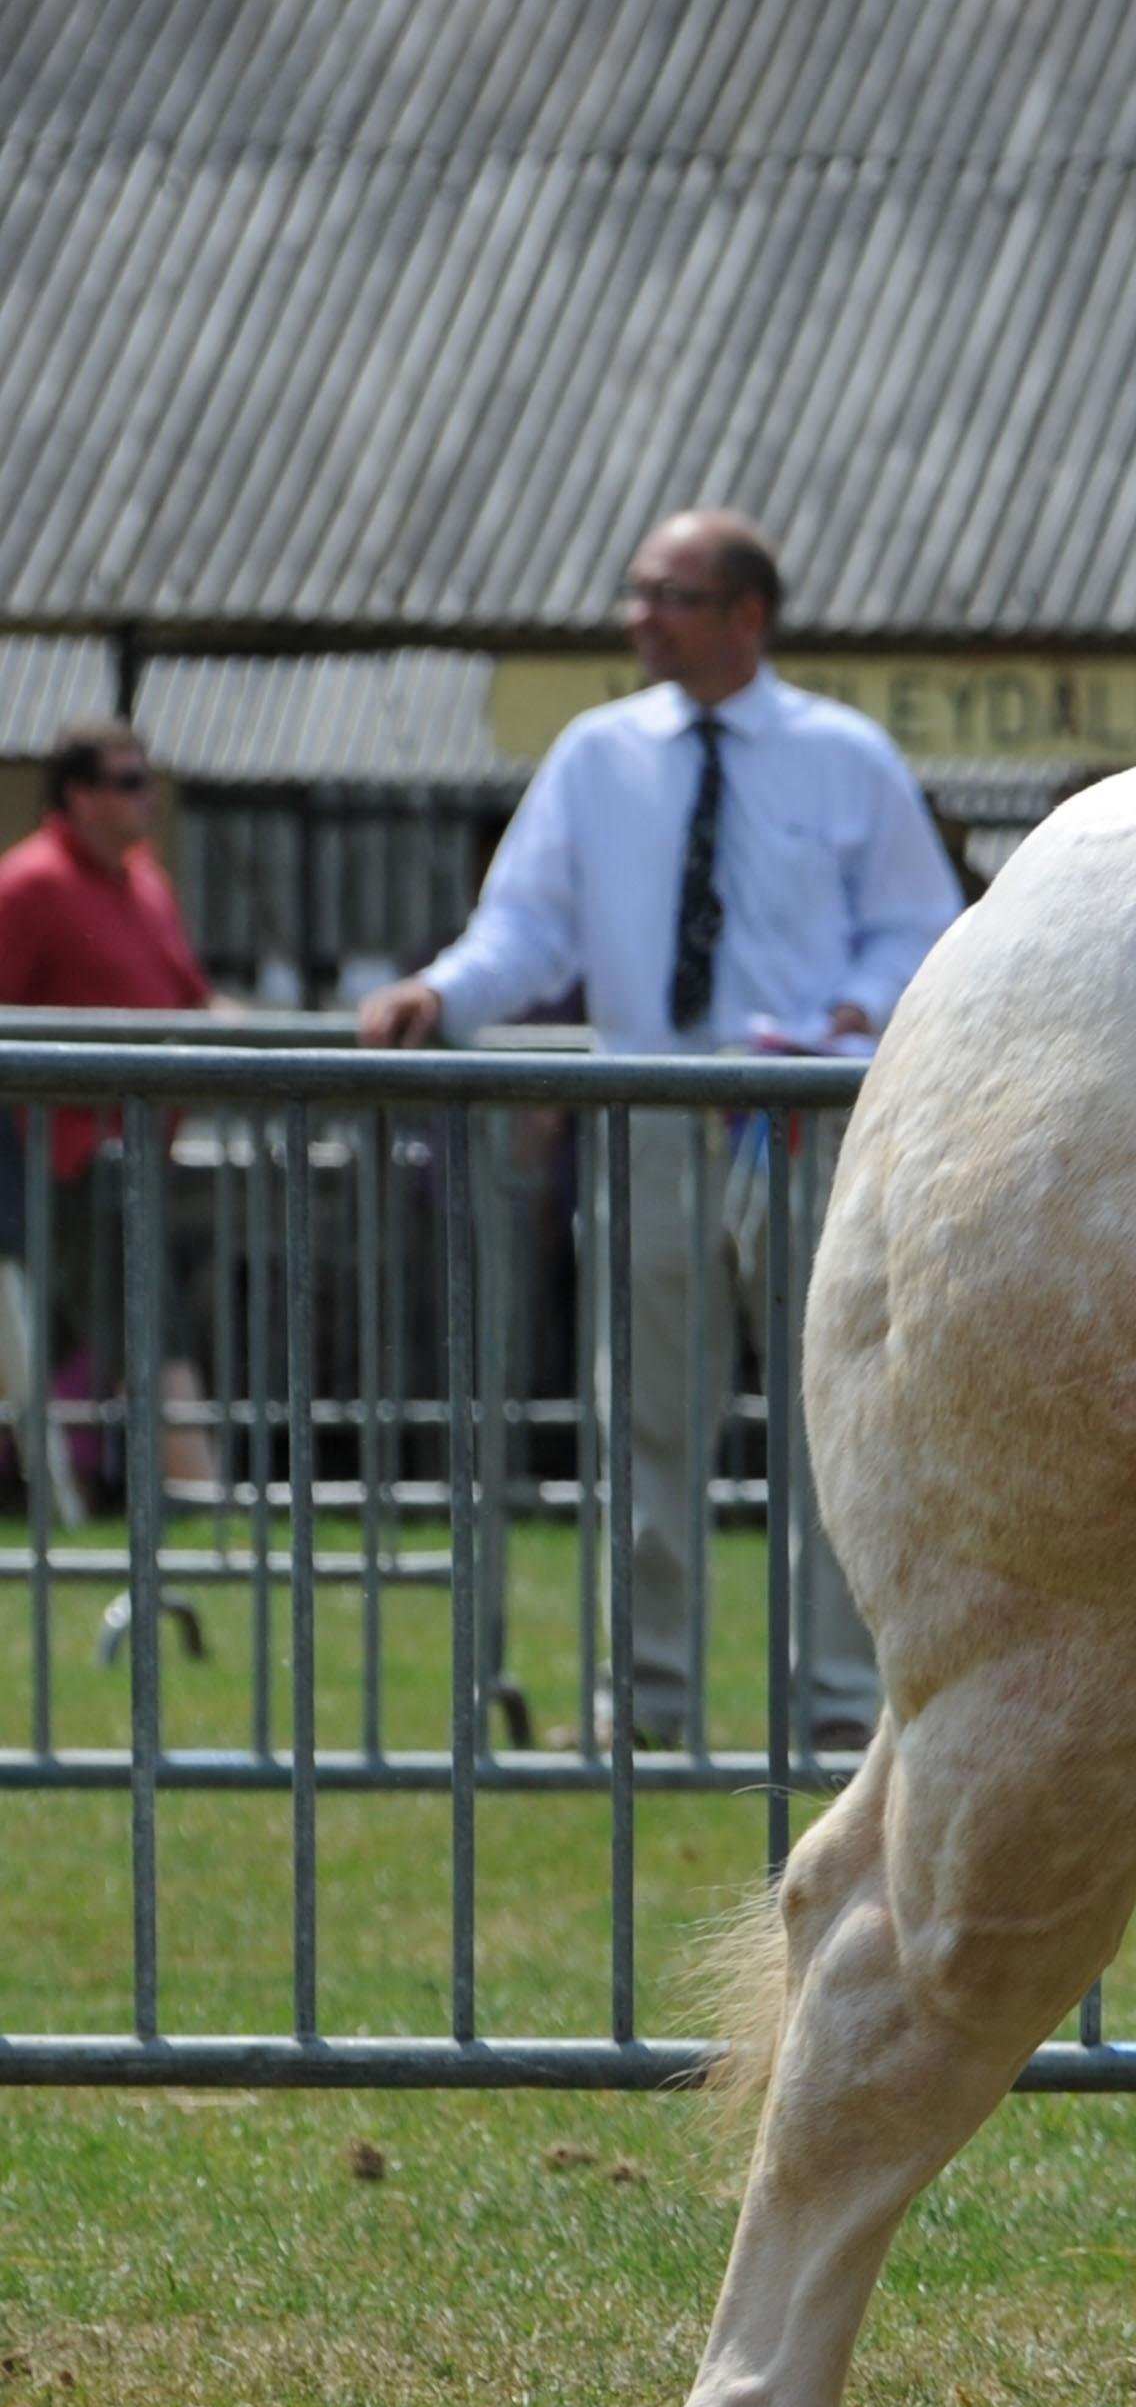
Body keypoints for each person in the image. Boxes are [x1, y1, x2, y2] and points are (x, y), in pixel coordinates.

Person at [357, 510, 959, 1754]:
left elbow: (920, 926)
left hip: (800, 1122)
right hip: (649, 1117)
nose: (641, 618)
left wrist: (859, 1003)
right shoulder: (596, 756)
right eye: (637, 594)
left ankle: (844, 1708)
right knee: (643, 1416)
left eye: (670, 596)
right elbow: (525, 926)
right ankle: (643, 1703)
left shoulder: (845, 756)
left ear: (748, 615)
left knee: (831, 1424)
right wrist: (444, 992)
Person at [0, 716, 223, 1508]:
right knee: (146, 1315)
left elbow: (192, 999)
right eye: (129, 782)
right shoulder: (27, 883)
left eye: (147, 779)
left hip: (139, 1147)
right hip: (64, 1156)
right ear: (80, 796)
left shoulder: (145, 880)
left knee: (54, 1337)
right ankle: (203, 1499)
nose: (147, 798)